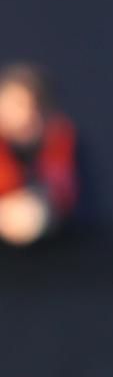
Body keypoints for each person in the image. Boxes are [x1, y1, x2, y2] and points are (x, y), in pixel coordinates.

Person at [0, 63, 79, 246]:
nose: (26, 115)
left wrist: (39, 208)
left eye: (35, 106)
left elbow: (63, 193)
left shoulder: (60, 137)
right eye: (17, 105)